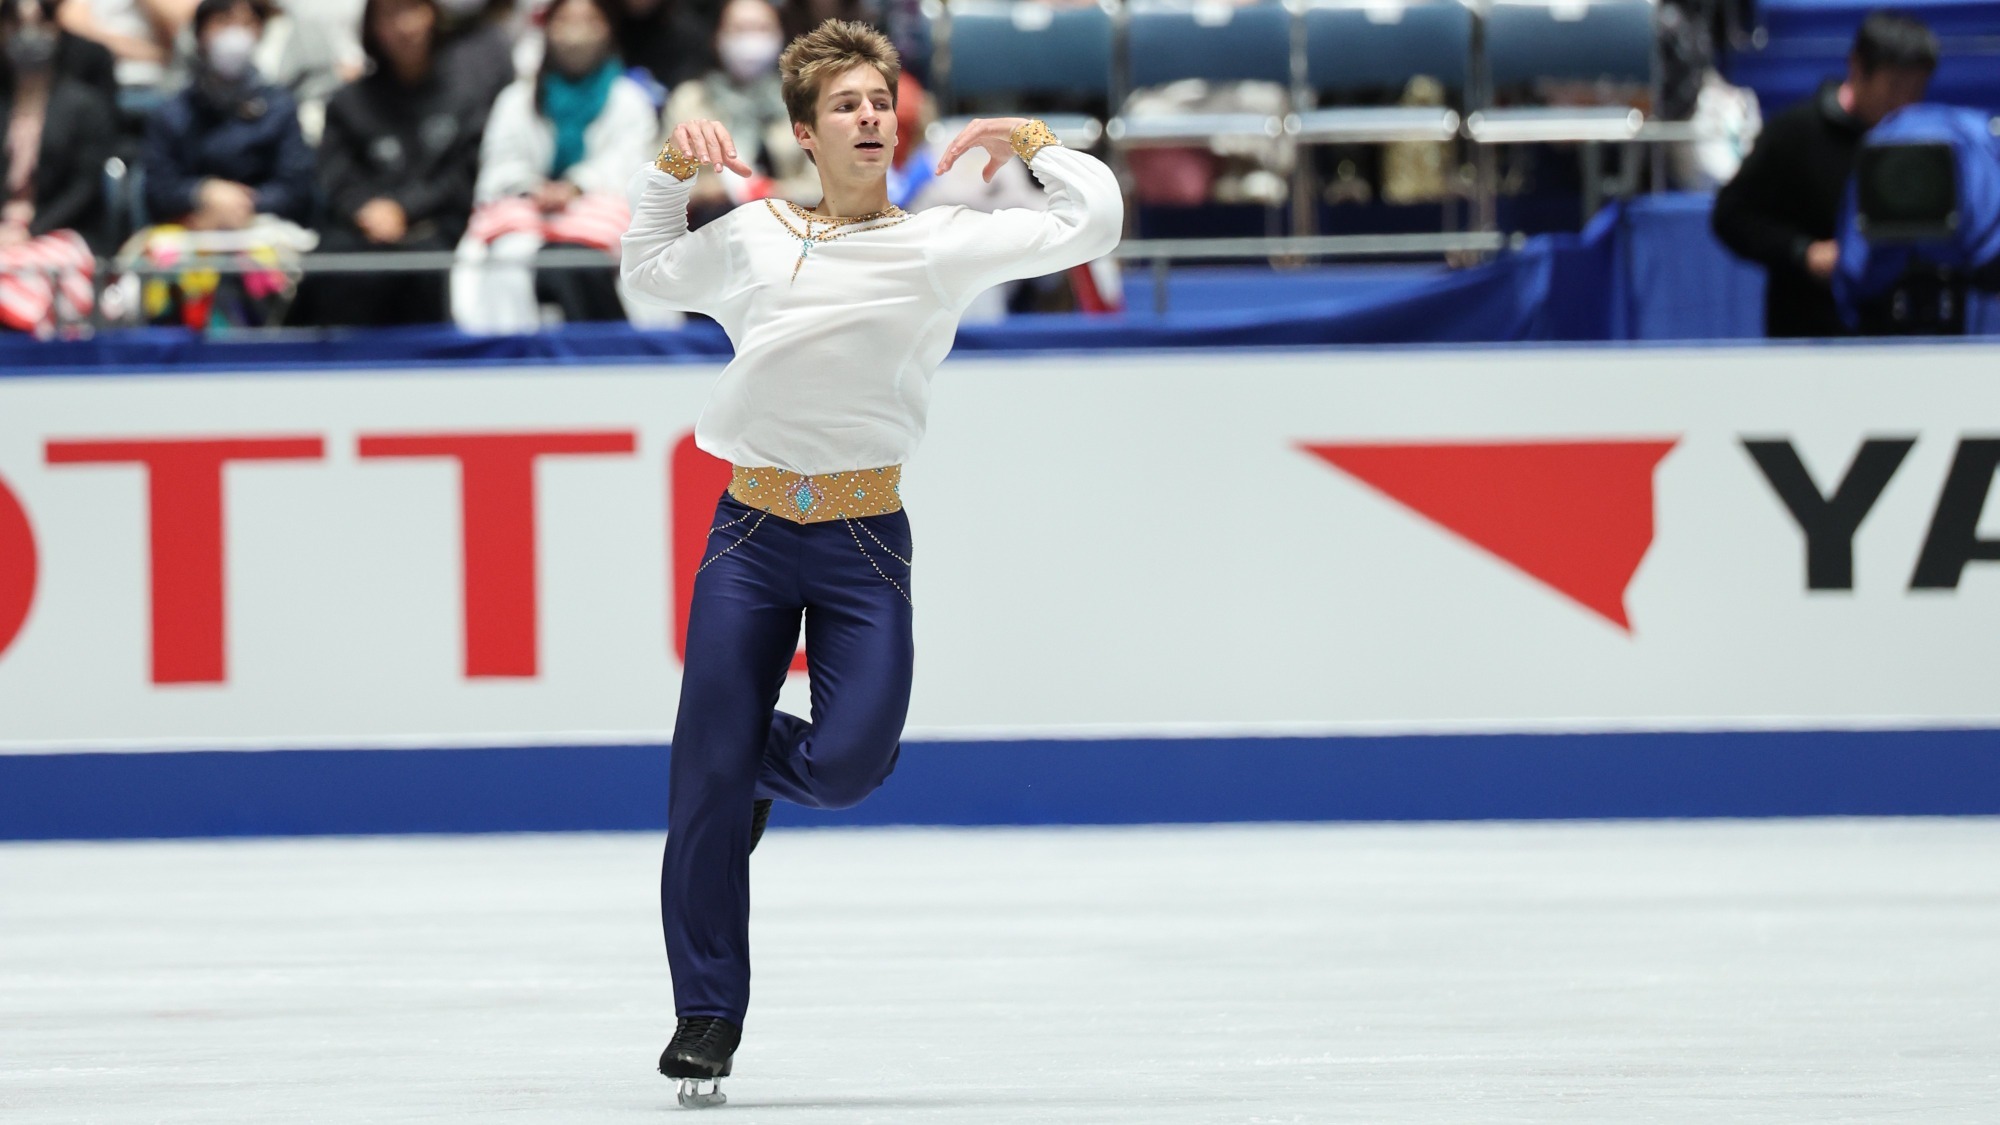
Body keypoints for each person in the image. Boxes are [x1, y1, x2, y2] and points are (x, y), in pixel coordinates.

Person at [620, 19, 1121, 1108]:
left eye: (879, 101)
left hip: (860, 539)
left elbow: (1094, 220)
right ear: (804, 131)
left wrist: (1031, 140)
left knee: (848, 764)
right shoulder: (753, 236)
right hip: (749, 533)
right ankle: (706, 1013)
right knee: (699, 781)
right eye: (844, 104)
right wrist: (667, 172)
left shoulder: (940, 241)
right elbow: (649, 269)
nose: (869, 117)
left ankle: (748, 765)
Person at [1711, 11, 1937, 338]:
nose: (1905, 103)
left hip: (1903, 337)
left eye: (1917, 89)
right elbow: (1730, 215)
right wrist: (1802, 251)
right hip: (1808, 336)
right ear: (1858, 68)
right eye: (1895, 87)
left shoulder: (1928, 144)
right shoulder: (1793, 133)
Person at [450, 0, 654, 331]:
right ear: (546, 29)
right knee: (509, 259)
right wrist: (534, 189)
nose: (576, 33)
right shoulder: (516, 99)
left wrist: (576, 186)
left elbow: (631, 167)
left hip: (599, 220)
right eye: (565, 21)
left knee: (573, 259)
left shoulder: (629, 99)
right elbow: (499, 165)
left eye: (589, 20)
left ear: (608, 29)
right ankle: (511, 359)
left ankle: (608, 354)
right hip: (527, 217)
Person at [302, 0, 481, 325]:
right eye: (389, 15)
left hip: (438, 227)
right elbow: (336, 173)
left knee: (427, 269)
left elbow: (463, 174)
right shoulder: (348, 103)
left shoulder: (466, 97)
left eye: (412, 10)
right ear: (372, 27)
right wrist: (365, 209)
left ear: (432, 16)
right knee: (333, 266)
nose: (403, 26)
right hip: (361, 228)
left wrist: (405, 208)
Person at [140, 0, 314, 230]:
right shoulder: (172, 112)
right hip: (189, 226)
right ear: (199, 34)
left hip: (263, 227)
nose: (235, 34)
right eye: (223, 22)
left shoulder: (280, 107)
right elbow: (158, 188)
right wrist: (201, 192)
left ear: (260, 32)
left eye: (246, 23)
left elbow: (295, 187)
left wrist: (243, 203)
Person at [0, 0, 118, 333]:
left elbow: (84, 187)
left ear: (56, 29)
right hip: (3, 233)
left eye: (39, 24)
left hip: (60, 231)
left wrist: (30, 231)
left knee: (28, 271)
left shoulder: (83, 105)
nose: (28, 35)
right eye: (16, 24)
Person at [661, 0, 816, 221]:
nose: (750, 40)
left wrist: (772, 192)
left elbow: (824, 186)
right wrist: (704, 190)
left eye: (762, 29)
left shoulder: (804, 102)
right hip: (708, 227)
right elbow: (661, 180)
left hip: (789, 227)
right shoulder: (690, 100)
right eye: (739, 29)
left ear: (781, 36)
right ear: (717, 37)